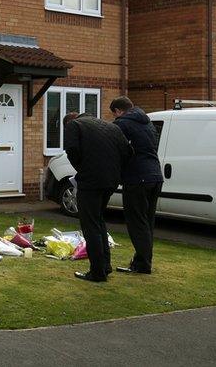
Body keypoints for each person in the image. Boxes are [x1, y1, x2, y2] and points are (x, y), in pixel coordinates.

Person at [63, 111, 131, 282]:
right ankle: (105, 266)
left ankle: (97, 272)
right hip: (111, 181)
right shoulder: (112, 127)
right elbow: (128, 152)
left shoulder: (74, 125)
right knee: (98, 221)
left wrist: (82, 168)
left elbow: (71, 149)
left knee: (90, 225)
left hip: (91, 181)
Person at [110, 96, 164, 274]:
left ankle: (142, 265)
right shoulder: (147, 122)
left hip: (137, 178)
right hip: (155, 175)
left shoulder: (122, 124)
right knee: (147, 221)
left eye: (115, 114)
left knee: (136, 222)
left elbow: (117, 149)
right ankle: (143, 261)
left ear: (118, 111)